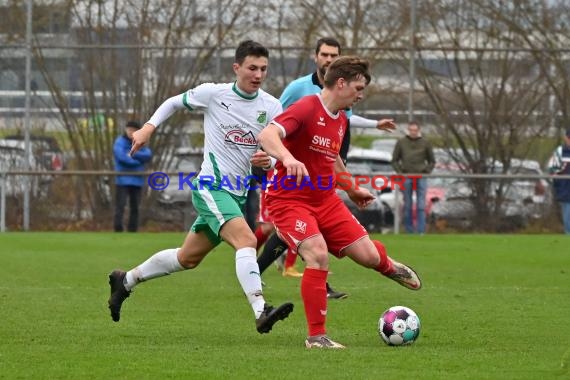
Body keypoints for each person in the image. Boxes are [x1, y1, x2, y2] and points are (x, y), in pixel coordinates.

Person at [107, 40, 294, 334]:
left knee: (187, 258)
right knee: (246, 240)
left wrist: (267, 160)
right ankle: (261, 311)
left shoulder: (271, 106)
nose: (258, 74)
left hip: (236, 194)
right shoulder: (214, 94)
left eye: (263, 69)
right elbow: (172, 102)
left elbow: (274, 153)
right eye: (252, 68)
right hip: (210, 187)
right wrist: (148, 127)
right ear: (237, 68)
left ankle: (125, 280)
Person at [257, 56, 422, 349]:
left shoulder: (341, 119)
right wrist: (287, 157)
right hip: (288, 200)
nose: (361, 95)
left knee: (369, 257)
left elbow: (332, 160)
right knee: (318, 255)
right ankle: (316, 337)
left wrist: (353, 189)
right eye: (358, 88)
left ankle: (388, 266)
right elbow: (268, 133)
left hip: (325, 200)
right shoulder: (307, 107)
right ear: (341, 83)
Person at [255, 37, 396, 298]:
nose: (329, 59)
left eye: (334, 55)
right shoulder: (302, 92)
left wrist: (375, 125)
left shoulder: (342, 109)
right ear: (316, 57)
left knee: (305, 235)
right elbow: (277, 117)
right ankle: (254, 271)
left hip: (324, 169)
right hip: (291, 173)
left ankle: (264, 271)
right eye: (325, 54)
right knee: (281, 232)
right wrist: (282, 157)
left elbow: (347, 124)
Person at [391, 121, 435, 234]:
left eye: (415, 130)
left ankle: (421, 231)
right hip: (406, 176)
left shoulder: (425, 142)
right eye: (411, 130)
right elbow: (394, 160)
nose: (413, 132)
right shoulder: (401, 142)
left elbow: (432, 161)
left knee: (421, 205)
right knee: (407, 205)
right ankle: (409, 230)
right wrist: (400, 172)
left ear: (418, 130)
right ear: (408, 130)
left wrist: (427, 170)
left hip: (421, 176)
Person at [113, 120, 152, 232]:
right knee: (120, 206)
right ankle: (118, 229)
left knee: (135, 207)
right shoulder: (119, 142)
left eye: (133, 130)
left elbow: (148, 154)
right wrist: (138, 161)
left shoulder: (140, 141)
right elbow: (121, 157)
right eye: (129, 130)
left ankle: (132, 230)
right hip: (122, 180)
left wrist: (131, 154)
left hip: (137, 179)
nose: (131, 132)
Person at [547, 129, 570, 234]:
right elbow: (551, 170)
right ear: (566, 138)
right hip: (566, 192)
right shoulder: (560, 152)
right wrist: (558, 184)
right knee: (568, 218)